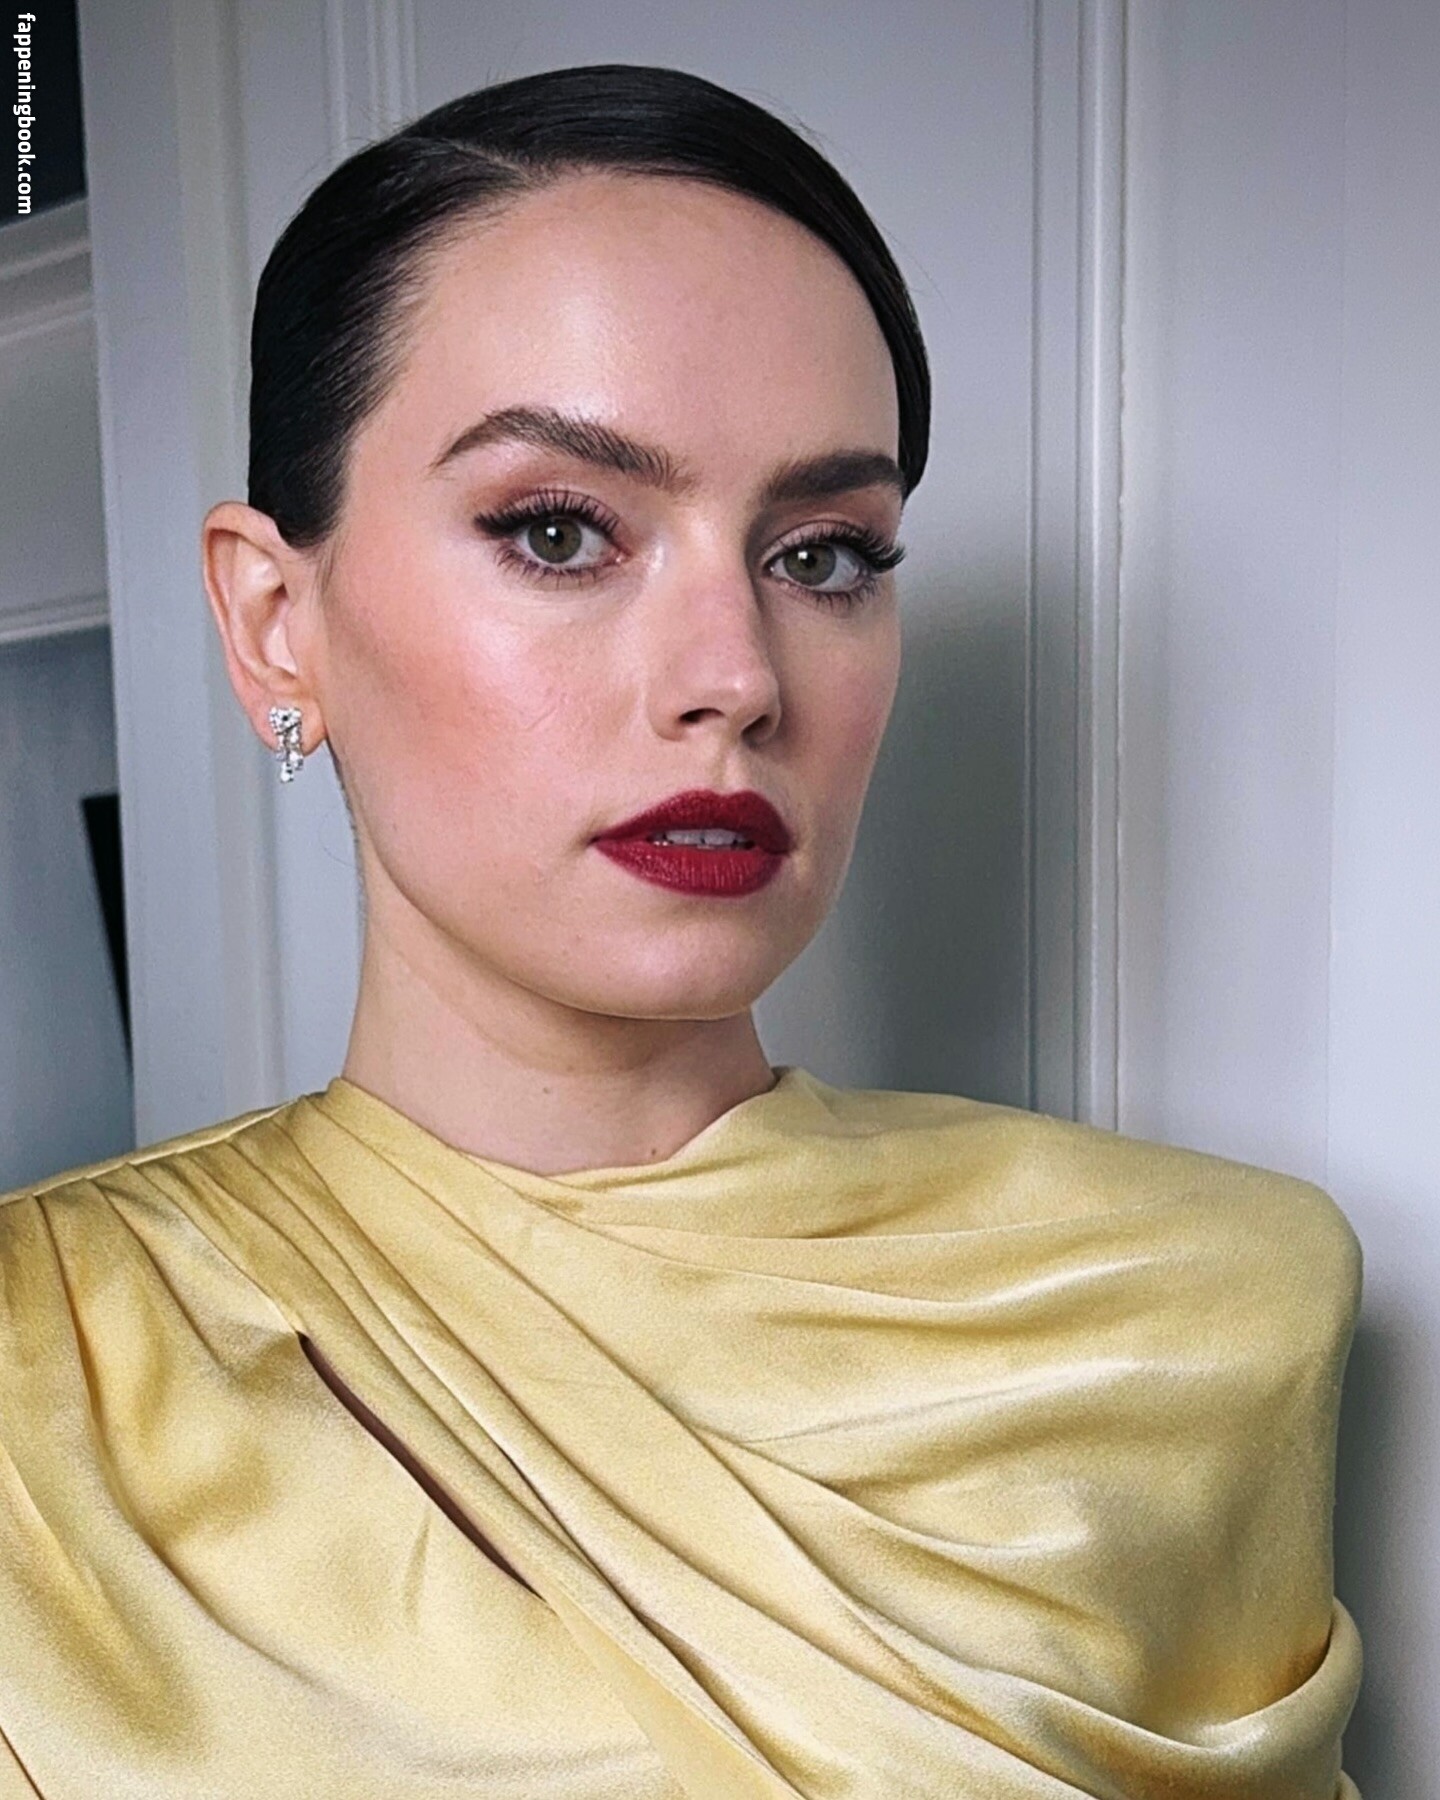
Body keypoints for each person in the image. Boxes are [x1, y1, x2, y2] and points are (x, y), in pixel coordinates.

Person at [0, 62, 1362, 1800]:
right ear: (277, 621)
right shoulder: (40, 1377)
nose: (736, 677)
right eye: (559, 530)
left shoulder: (1202, 1308)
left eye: (825, 556)